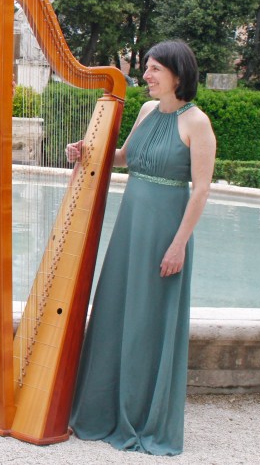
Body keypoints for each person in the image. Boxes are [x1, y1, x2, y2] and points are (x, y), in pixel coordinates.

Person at [68, 39, 216, 455]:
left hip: (164, 233)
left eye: (154, 69)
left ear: (178, 74)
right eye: (147, 68)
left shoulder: (197, 122)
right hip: (130, 227)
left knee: (148, 322)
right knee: (116, 311)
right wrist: (85, 151)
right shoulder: (148, 111)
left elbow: (201, 190)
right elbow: (123, 157)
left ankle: (141, 417)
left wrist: (178, 245)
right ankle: (102, 411)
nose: (146, 76)